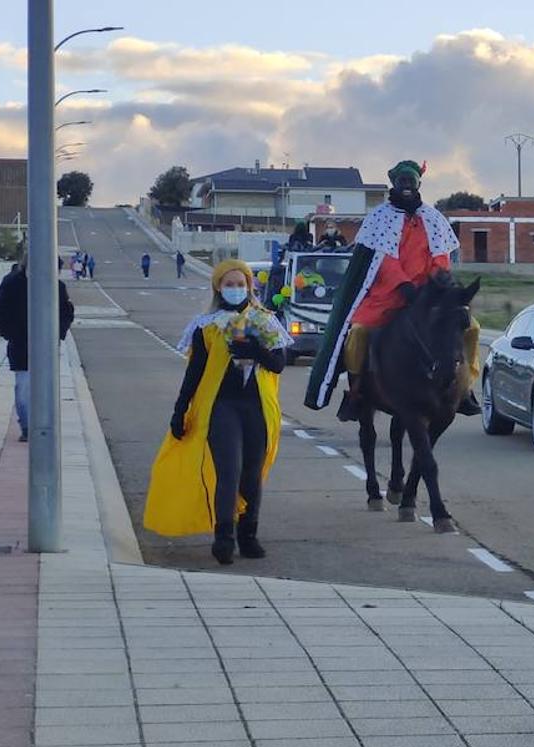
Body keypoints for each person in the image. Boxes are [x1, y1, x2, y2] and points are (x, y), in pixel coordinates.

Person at [305, 159, 482, 419]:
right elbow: (383, 259)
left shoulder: (433, 218)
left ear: (419, 183)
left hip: (428, 293)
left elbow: (440, 258)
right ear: (395, 184)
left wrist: (430, 285)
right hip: (387, 294)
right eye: (403, 181)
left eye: (412, 181)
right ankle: (356, 391)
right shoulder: (379, 218)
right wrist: (403, 285)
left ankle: (464, 386)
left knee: (471, 326)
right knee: (358, 332)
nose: (407, 186)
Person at [143, 260, 292, 564]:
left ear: (250, 287)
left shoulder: (266, 322)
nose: (236, 289)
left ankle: (249, 535)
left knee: (252, 473)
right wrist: (180, 409)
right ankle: (224, 537)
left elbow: (278, 364)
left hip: (258, 408)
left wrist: (256, 351)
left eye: (241, 284)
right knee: (229, 470)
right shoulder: (206, 325)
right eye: (229, 284)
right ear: (218, 287)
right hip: (221, 407)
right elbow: (194, 372)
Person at [0, 249, 75, 442]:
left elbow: (66, 312)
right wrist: (10, 334)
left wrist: (58, 334)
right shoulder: (12, 284)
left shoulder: (56, 286)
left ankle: (44, 425)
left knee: (46, 388)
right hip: (21, 345)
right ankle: (28, 426)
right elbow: (0, 311)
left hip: (46, 347)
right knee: (24, 388)